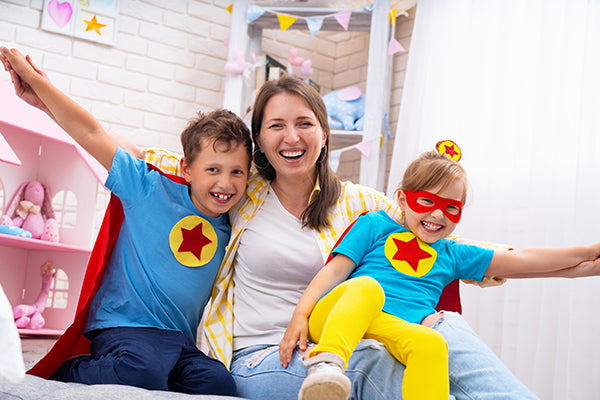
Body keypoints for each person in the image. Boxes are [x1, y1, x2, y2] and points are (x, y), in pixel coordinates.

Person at [6, 57, 600, 400]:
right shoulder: (236, 192)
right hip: (270, 356)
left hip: (350, 343)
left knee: (442, 335)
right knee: (394, 366)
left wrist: (576, 261)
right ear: (258, 139)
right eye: (275, 125)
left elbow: (463, 244)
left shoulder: (363, 206)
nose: (291, 136)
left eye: (304, 123)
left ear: (324, 132)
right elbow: (124, 150)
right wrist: (43, 98)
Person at [0, 46, 253, 396]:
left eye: (237, 172)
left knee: (219, 383)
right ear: (186, 168)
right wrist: (38, 88)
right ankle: (72, 370)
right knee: (141, 369)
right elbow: (91, 133)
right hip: (124, 326)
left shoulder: (236, 221)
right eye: (213, 170)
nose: (225, 184)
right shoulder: (149, 188)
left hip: (178, 339)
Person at [279, 141, 600, 400]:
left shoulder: (451, 253)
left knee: (432, 344)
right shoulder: (374, 224)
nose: (437, 214)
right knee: (368, 288)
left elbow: (524, 260)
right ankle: (326, 369)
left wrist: (588, 255)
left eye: (451, 207)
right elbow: (333, 274)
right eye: (426, 201)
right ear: (403, 199)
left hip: (395, 334)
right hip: (341, 319)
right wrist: (300, 316)